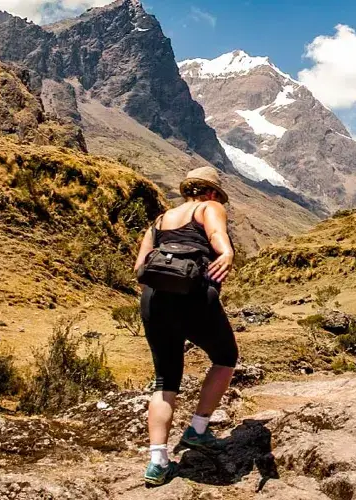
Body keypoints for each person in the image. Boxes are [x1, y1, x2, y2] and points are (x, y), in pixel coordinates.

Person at [133, 167, 237, 486]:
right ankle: (198, 429)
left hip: (154, 300)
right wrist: (226, 252)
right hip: (194, 296)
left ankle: (157, 462)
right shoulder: (209, 207)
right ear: (211, 192)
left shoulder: (159, 221)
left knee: (165, 380)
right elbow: (217, 235)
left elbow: (139, 269)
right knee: (225, 357)